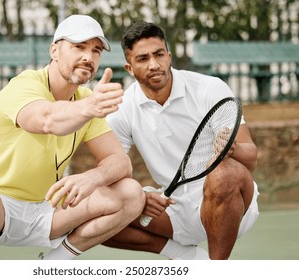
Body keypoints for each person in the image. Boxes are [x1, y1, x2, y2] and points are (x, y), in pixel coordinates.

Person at [0, 14, 145, 260]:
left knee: (131, 193)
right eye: (78, 47)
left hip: (47, 211)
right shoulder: (24, 85)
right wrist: (89, 107)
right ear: (54, 51)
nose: (88, 57)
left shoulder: (85, 100)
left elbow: (120, 162)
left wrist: (93, 177)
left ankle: (55, 263)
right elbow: (46, 119)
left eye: (95, 51)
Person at [104, 22, 259, 260]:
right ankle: (186, 257)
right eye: (143, 59)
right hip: (173, 208)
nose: (154, 64)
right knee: (94, 211)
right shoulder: (122, 108)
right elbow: (111, 170)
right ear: (130, 67)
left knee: (225, 174)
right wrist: (139, 197)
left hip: (228, 205)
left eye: (158, 54)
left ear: (168, 55)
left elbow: (250, 158)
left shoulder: (209, 88)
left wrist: (233, 148)